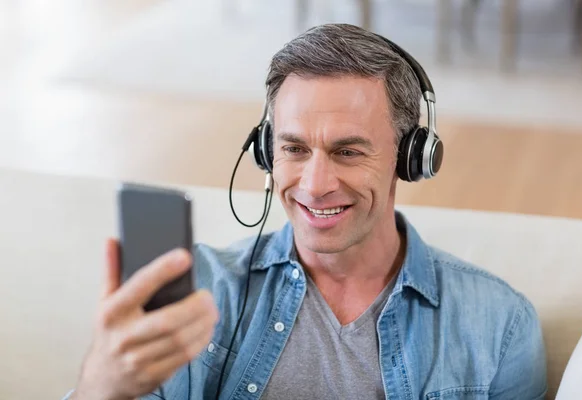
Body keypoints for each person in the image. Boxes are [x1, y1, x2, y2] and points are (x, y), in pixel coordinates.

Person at [64, 23, 547, 400]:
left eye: (349, 152)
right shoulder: (201, 293)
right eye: (293, 149)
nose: (314, 186)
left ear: (409, 158)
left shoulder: (498, 325)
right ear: (265, 152)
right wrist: (102, 386)